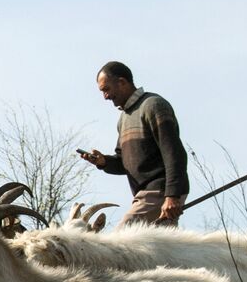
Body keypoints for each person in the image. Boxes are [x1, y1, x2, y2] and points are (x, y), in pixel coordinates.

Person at [79, 61, 189, 227]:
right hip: (145, 195)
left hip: (159, 191)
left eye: (106, 89)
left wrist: (172, 196)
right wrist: (104, 162)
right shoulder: (123, 119)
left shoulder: (153, 106)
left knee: (120, 243)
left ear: (122, 82)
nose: (105, 96)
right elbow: (125, 163)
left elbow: (174, 153)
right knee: (155, 251)